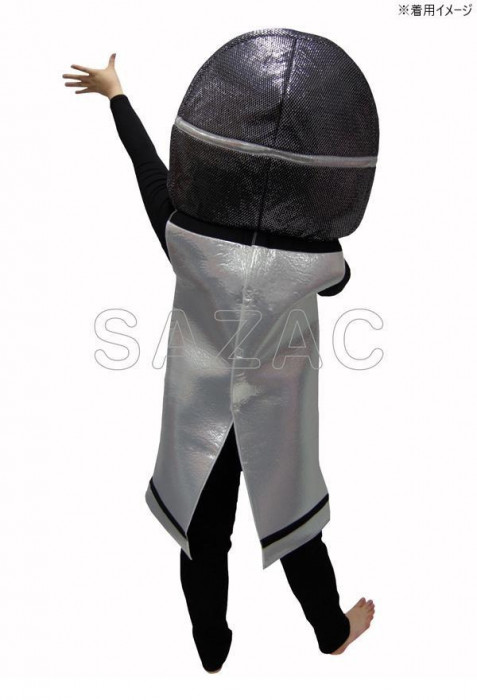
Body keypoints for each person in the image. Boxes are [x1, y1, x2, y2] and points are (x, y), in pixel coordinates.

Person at [62, 40, 376, 673]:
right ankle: (331, 630)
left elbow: (148, 169)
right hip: (275, 415)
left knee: (203, 536)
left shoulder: (184, 234)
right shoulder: (320, 260)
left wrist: (118, 95)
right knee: (297, 527)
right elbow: (342, 279)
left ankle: (211, 646)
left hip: (198, 413)